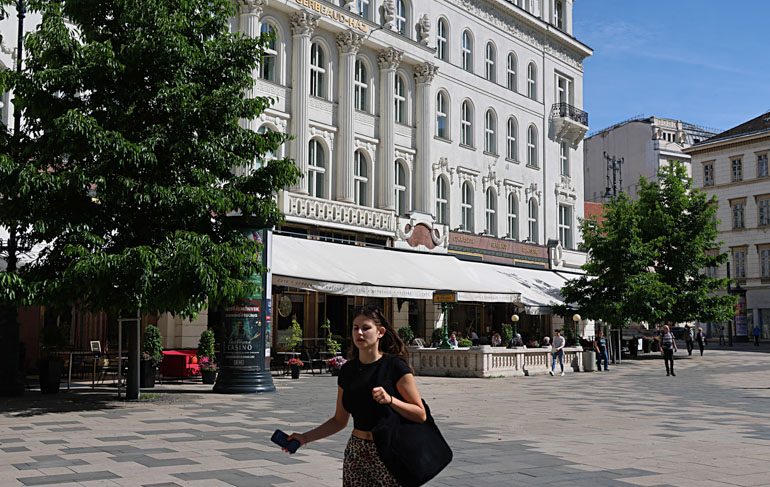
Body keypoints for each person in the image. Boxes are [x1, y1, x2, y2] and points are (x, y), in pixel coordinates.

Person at [283, 306, 426, 486]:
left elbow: (420, 414)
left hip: (389, 452)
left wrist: (391, 400)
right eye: (355, 327)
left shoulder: (395, 366)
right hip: (356, 453)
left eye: (366, 328)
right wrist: (304, 438)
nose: (359, 332)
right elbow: (339, 420)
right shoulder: (348, 371)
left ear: (380, 332)